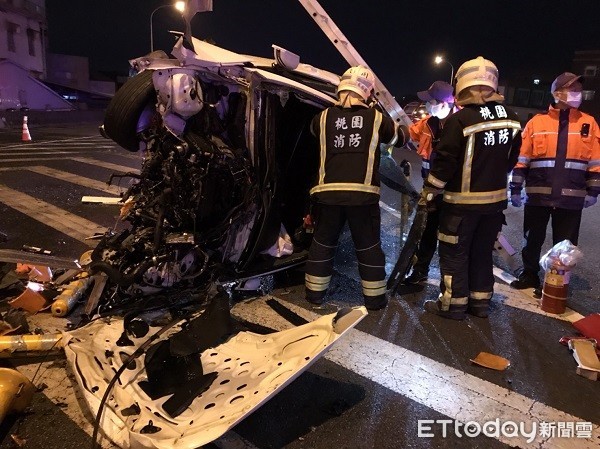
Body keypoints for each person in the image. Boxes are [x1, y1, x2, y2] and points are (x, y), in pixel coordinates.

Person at [421, 56, 522, 320]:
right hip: (495, 205)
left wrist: (429, 192)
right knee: (481, 253)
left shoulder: (461, 120)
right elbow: (511, 159)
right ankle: (480, 304)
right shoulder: (512, 119)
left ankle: (453, 306)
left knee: (455, 253)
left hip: (460, 206)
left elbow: (445, 163)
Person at [304, 66, 408, 311]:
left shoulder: (321, 118)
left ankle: (314, 296)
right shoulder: (376, 119)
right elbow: (401, 138)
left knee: (323, 243)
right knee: (368, 246)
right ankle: (374, 300)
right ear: (368, 93)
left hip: (327, 194)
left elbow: (312, 133)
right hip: (363, 196)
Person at [509, 72, 600, 292]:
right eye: (573, 89)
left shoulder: (589, 123)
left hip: (572, 196)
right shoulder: (536, 123)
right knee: (532, 240)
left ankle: (555, 283)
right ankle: (529, 274)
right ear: (557, 93)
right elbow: (523, 159)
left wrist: (593, 190)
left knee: (565, 245)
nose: (578, 93)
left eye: (579, 89)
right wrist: (515, 189)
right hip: (538, 194)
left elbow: (595, 162)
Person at [404, 80, 457, 284]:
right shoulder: (429, 122)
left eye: (431, 102)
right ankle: (420, 271)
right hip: (430, 189)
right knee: (426, 231)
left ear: (445, 104)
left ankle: (450, 280)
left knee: (450, 238)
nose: (426, 106)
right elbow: (407, 132)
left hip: (453, 193)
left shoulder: (460, 123)